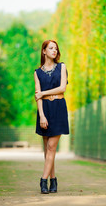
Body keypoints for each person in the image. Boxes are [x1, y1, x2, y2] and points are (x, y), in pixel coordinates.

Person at [34, 39, 69, 194]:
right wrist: (41, 116)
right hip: (45, 110)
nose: (54, 51)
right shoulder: (37, 73)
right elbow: (38, 97)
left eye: (56, 48)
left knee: (51, 147)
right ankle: (53, 180)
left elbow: (62, 88)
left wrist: (44, 92)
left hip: (59, 108)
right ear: (44, 51)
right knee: (48, 149)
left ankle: (43, 181)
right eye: (51, 48)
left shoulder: (62, 67)